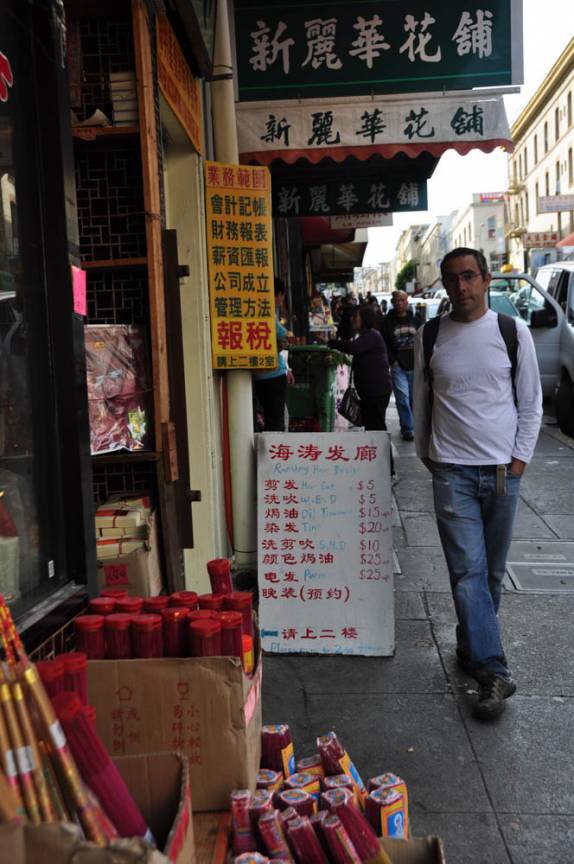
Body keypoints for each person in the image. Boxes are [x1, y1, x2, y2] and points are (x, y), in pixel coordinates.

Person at [413, 247, 543, 721]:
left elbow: (531, 403)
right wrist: (427, 454)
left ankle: (471, 645)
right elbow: (421, 398)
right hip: (452, 472)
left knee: (489, 575)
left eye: (469, 277)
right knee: (468, 572)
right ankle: (494, 671)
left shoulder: (513, 332)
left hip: (502, 476)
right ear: (445, 285)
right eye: (452, 279)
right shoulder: (430, 336)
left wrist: (518, 463)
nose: (461, 287)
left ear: (487, 280)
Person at [329, 306, 394, 459]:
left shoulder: (372, 335)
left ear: (364, 318)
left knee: (377, 430)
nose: (353, 319)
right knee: (373, 428)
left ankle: (387, 466)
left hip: (377, 391)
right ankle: (377, 463)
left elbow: (352, 348)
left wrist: (332, 343)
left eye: (356, 316)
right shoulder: (366, 336)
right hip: (371, 392)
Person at [381, 290, 423, 441]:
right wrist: (393, 360)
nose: (399, 303)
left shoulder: (416, 320)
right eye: (396, 300)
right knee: (402, 398)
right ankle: (408, 428)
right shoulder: (386, 322)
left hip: (415, 365)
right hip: (398, 365)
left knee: (414, 398)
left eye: (402, 300)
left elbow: (423, 339)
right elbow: (384, 343)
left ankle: (415, 424)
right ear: (392, 302)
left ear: (407, 302)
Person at [253, 278, 293, 431]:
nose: (281, 300)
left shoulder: (255, 308)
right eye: (281, 296)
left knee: (269, 419)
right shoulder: (266, 312)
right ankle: (275, 452)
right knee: (275, 421)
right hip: (273, 374)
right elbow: (283, 334)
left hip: (259, 374)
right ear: (278, 295)